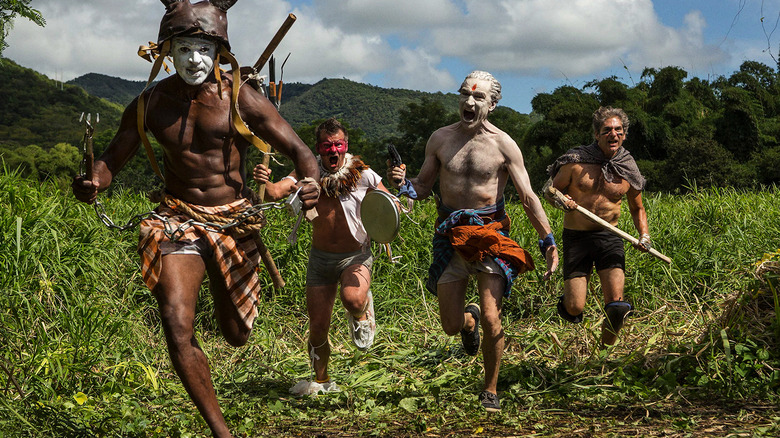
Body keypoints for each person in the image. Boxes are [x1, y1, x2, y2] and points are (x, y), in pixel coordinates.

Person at [71, 1, 319, 437]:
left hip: (233, 221)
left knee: (236, 333)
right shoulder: (150, 102)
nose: (193, 60)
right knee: (176, 322)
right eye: (183, 49)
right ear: (167, 50)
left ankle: (231, 313)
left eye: (203, 49)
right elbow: (111, 159)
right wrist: (92, 182)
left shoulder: (241, 97)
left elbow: (300, 151)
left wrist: (311, 181)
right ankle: (221, 432)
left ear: (220, 52)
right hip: (176, 219)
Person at [387, 71, 558, 412]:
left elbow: (527, 197)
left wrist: (548, 240)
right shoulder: (439, 139)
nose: (469, 101)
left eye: (478, 98)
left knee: (494, 317)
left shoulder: (504, 145)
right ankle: (469, 320)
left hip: (490, 236)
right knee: (450, 326)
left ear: (492, 105)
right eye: (464, 94)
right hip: (450, 235)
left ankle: (491, 389)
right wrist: (403, 184)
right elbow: (422, 187)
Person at [254, 117, 391, 394]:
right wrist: (264, 182)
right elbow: (276, 192)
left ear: (345, 146)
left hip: (356, 255)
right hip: (321, 259)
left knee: (352, 299)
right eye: (327, 145)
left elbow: (389, 204)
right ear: (318, 148)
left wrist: (398, 202)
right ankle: (322, 379)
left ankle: (362, 309)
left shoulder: (363, 173)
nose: (333, 150)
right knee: (317, 327)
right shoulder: (308, 172)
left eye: (338, 144)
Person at [544, 106, 651, 347]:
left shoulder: (627, 167)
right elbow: (550, 191)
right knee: (574, 307)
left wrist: (644, 235)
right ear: (596, 134)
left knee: (617, 306)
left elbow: (637, 208)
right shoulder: (576, 162)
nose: (613, 134)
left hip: (610, 237)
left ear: (624, 134)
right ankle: (568, 305)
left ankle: (604, 351)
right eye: (607, 130)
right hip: (577, 237)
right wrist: (561, 201)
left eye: (618, 130)